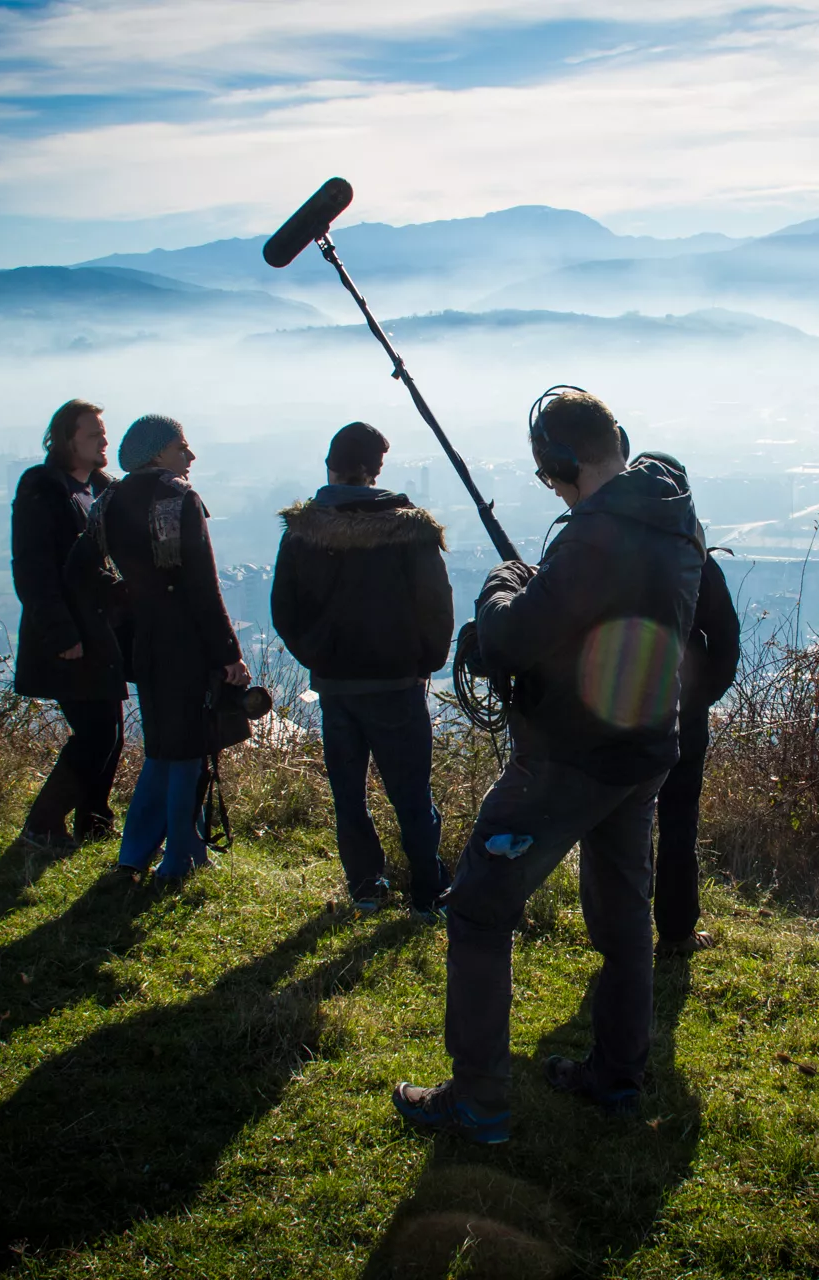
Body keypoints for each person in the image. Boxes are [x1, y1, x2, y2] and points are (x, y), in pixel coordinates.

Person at [393, 388, 703, 1144]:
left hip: (568, 760)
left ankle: (478, 1102)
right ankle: (617, 1077)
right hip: (644, 749)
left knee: (475, 911)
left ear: (557, 466)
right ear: (617, 441)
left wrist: (504, 582)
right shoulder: (674, 514)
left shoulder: (592, 539)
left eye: (549, 477)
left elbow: (505, 641)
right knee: (625, 916)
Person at [271, 421, 454, 916]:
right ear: (376, 470)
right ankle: (427, 892)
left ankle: (366, 886)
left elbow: (284, 611)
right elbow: (436, 605)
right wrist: (426, 661)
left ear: (330, 464)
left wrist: (318, 655)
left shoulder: (304, 530)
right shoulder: (409, 529)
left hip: (335, 684)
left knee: (348, 792)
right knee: (412, 793)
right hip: (397, 681)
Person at [76, 414, 248, 885]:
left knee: (162, 751)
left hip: (145, 643)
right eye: (181, 447)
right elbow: (201, 586)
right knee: (188, 751)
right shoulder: (179, 497)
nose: (190, 457)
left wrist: (125, 601)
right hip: (187, 644)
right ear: (157, 453)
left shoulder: (108, 500)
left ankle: (134, 856)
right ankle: (180, 860)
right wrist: (229, 653)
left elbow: (80, 569)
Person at [11, 399, 129, 849]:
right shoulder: (43, 489)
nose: (104, 441)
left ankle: (94, 822)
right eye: (93, 434)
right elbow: (33, 569)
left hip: (101, 632)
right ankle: (41, 825)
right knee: (97, 734)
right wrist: (62, 634)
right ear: (66, 441)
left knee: (110, 732)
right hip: (68, 635)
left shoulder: (100, 488)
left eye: (103, 432)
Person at [647, 462, 740, 958]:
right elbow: (726, 643)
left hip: (619, 710)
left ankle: (623, 921)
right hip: (682, 710)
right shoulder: (696, 560)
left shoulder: (608, 550)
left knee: (625, 816)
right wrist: (699, 697)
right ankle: (678, 932)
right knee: (679, 819)